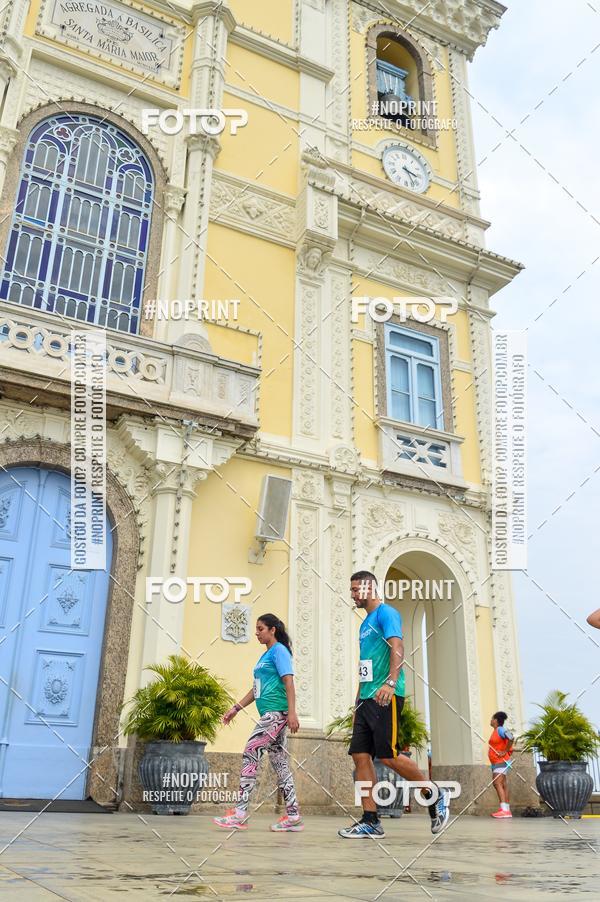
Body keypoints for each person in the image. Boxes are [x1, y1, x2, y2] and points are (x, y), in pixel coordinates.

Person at [338, 571, 450, 838]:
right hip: (367, 699)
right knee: (360, 756)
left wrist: (391, 682)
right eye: (351, 590)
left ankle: (434, 793)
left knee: (387, 755)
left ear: (368, 588)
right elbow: (364, 668)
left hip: (385, 696)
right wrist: (357, 704)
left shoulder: (386, 613)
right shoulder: (364, 624)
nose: (352, 594)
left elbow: (397, 645)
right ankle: (371, 820)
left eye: (356, 589)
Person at [214, 614, 304, 832]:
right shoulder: (266, 656)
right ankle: (293, 817)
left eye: (260, 629)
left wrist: (292, 713)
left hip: (275, 714)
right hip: (271, 714)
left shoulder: (279, 651)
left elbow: (289, 681)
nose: (256, 633)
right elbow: (256, 690)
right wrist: (235, 709)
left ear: (272, 630)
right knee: (279, 763)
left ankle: (239, 813)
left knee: (251, 751)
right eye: (256, 629)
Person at [488, 711, 514, 818]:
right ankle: (506, 809)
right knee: (503, 784)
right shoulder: (496, 731)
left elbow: (511, 737)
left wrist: (505, 750)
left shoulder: (500, 729)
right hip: (498, 762)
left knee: (497, 783)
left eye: (492, 718)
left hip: (501, 761)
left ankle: (504, 810)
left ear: (496, 720)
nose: (490, 720)